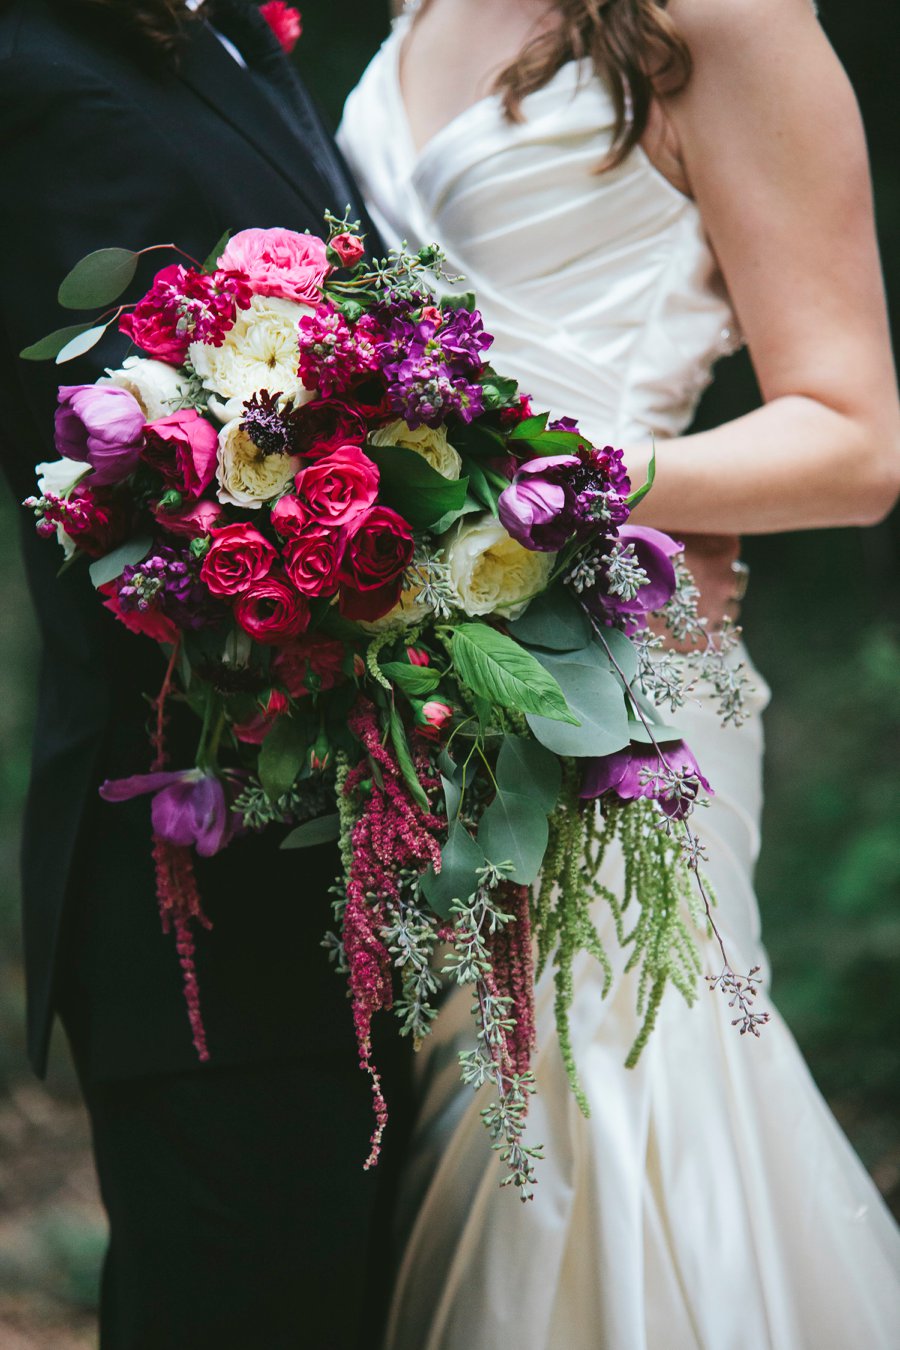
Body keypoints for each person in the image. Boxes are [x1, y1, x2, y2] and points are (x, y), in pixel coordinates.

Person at [338, 1, 900, 1345]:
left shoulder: (722, 17)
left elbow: (856, 439)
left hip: (619, 682)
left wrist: (543, 482)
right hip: (406, 692)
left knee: (605, 1109)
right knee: (468, 1117)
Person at [0, 2, 408, 1346]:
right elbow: (110, 477)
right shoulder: (38, 70)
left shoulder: (233, 38)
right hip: (205, 879)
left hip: (358, 865)